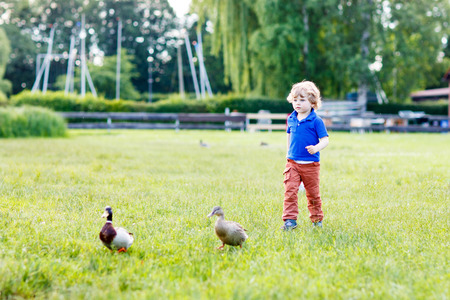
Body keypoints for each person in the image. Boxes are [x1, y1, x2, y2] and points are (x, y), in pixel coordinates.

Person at [282, 80, 329, 230]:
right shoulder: (291, 118)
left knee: (313, 195)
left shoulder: (316, 121)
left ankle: (317, 221)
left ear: (312, 102)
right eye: (295, 100)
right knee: (290, 191)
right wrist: (288, 152)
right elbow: (289, 135)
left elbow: (325, 140)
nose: (298, 103)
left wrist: (316, 148)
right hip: (293, 163)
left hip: (311, 165)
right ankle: (290, 220)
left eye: (302, 100)